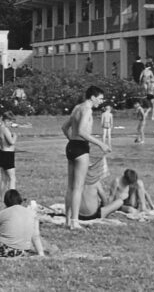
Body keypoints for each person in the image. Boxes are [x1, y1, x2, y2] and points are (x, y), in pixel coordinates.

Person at [60, 86, 109, 229]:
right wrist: (101, 144)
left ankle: (68, 220)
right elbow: (82, 131)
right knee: (78, 187)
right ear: (92, 97)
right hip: (81, 148)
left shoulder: (77, 108)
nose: (101, 101)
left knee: (70, 187)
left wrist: (72, 141)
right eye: (100, 98)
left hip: (71, 146)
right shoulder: (87, 109)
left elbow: (64, 127)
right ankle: (74, 222)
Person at [0, 189, 46, 258]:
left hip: (1, 250)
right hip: (21, 252)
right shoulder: (33, 214)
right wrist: (41, 253)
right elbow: (35, 236)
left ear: (5, 202)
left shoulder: (3, 213)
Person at [81, 161, 154, 220]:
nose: (129, 184)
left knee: (140, 183)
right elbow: (111, 197)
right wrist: (108, 208)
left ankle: (143, 208)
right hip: (122, 204)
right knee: (130, 209)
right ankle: (138, 211)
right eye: (128, 183)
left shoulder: (134, 182)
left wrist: (151, 204)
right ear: (125, 179)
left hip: (131, 201)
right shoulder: (117, 181)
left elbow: (144, 192)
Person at [0, 111, 17, 199]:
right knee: (12, 178)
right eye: (11, 122)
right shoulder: (5, 129)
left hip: (1, 154)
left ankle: (2, 197)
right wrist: (15, 136)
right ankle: (12, 199)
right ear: (6, 120)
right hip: (7, 155)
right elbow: (11, 142)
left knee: (4, 178)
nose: (11, 124)